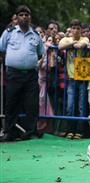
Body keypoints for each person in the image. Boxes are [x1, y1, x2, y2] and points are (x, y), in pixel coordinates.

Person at [0, 5, 45, 141]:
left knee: (32, 103)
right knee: (12, 103)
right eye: (21, 15)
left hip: (31, 75)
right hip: (14, 74)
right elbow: (2, 49)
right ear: (17, 17)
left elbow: (40, 54)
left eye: (26, 15)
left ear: (30, 18)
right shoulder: (9, 32)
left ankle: (30, 131)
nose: (24, 17)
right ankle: (9, 131)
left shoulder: (36, 35)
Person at [58, 19, 89, 139]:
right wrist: (72, 44)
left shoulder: (84, 39)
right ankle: (70, 129)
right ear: (70, 29)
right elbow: (61, 46)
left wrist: (70, 46)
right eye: (73, 28)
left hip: (82, 77)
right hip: (71, 77)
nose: (75, 30)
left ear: (81, 30)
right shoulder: (66, 39)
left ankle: (79, 131)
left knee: (81, 106)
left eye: (78, 28)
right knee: (70, 106)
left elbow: (81, 45)